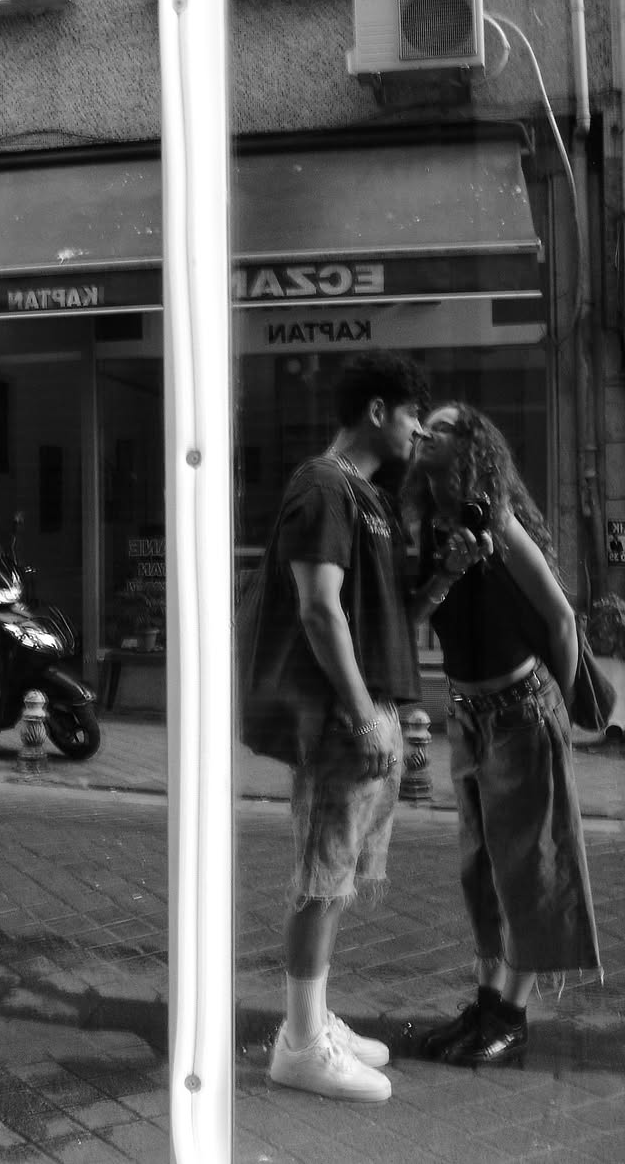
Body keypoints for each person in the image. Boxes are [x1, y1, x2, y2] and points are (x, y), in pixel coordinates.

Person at [246, 350, 431, 1102]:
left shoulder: (368, 495)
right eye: (413, 415)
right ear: (378, 412)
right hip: (341, 720)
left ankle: (314, 1016)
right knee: (322, 878)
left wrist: (447, 571)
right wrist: (361, 715)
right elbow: (319, 609)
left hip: (367, 714)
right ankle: (300, 1044)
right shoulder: (324, 486)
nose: (419, 431)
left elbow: (381, 614)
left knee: (340, 875)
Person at [404, 402, 601, 1067]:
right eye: (424, 426)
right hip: (467, 716)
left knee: (529, 871)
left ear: (469, 446)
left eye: (442, 427)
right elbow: (417, 614)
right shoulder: (432, 525)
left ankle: (512, 1017)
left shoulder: (498, 517)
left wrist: (560, 708)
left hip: (522, 712)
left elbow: (562, 618)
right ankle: (487, 1003)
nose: (425, 433)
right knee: (480, 871)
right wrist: (449, 569)